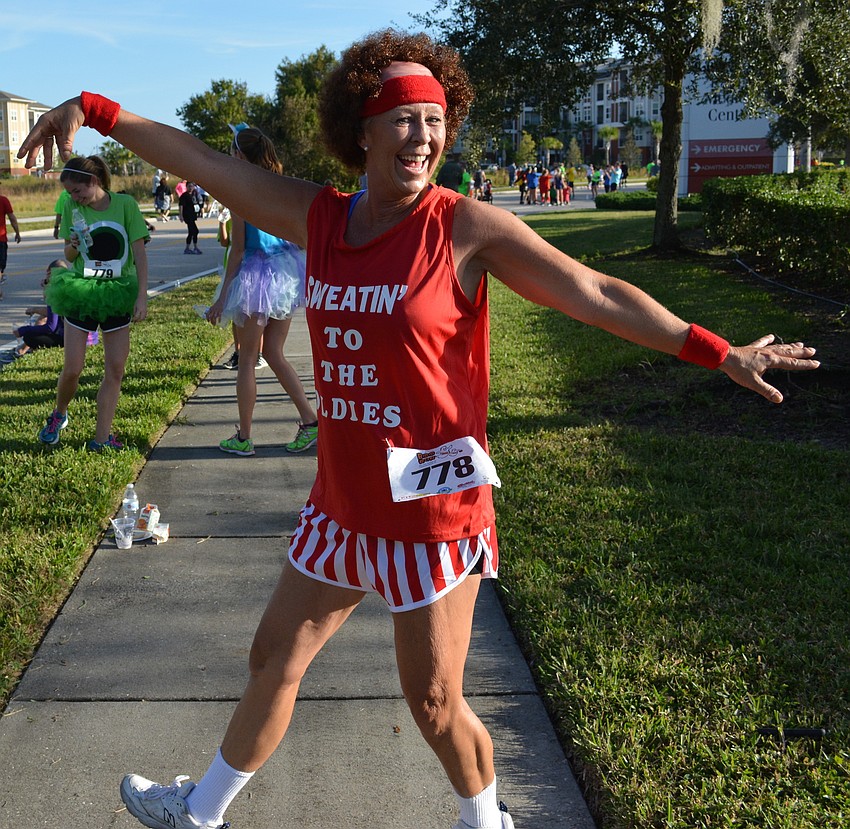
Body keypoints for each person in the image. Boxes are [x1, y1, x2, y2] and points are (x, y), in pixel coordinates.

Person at [19, 30, 818, 829]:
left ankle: (486, 821)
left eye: (436, 119)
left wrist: (715, 350)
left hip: (435, 517)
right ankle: (200, 812)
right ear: (361, 131)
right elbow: (207, 165)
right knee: (272, 659)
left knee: (434, 702)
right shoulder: (319, 217)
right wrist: (94, 109)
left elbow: (596, 291)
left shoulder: (464, 228)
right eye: (404, 117)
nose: (424, 136)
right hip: (345, 502)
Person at [205, 125, 317, 455]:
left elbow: (237, 251)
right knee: (274, 353)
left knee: (247, 360)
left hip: (256, 278)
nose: (229, 156)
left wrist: (222, 297)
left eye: (231, 151)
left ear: (241, 156)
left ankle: (244, 437)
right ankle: (310, 421)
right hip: (287, 273)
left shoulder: (240, 193)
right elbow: (300, 236)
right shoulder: (283, 188)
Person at [32, 155, 149, 451]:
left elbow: (139, 254)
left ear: (93, 182)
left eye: (77, 191)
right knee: (73, 368)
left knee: (116, 369)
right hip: (81, 291)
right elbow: (70, 257)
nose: (74, 197)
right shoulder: (73, 208)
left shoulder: (126, 205)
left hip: (118, 291)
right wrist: (71, 245)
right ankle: (59, 414)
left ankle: (101, 439)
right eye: (70, 193)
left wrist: (141, 295)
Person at [5, 259, 67, 360]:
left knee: (29, 337)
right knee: (42, 319)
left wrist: (23, 330)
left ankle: (25, 350)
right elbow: (52, 313)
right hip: (84, 337)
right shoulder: (67, 285)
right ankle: (24, 350)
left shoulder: (55, 292)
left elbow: (50, 327)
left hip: (69, 339)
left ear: (49, 273)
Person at [0, 184, 22, 293]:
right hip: (1, 239)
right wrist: (17, 233)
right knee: (0, 265)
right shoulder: (3, 200)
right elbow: (12, 218)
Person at [179, 181, 202, 254]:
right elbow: (181, 206)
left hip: (193, 215)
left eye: (192, 186)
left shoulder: (194, 194)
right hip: (187, 215)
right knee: (193, 231)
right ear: (186, 187)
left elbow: (197, 203)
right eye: (189, 186)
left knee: (194, 232)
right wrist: (181, 215)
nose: (191, 188)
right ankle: (189, 248)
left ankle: (192, 247)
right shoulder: (184, 196)